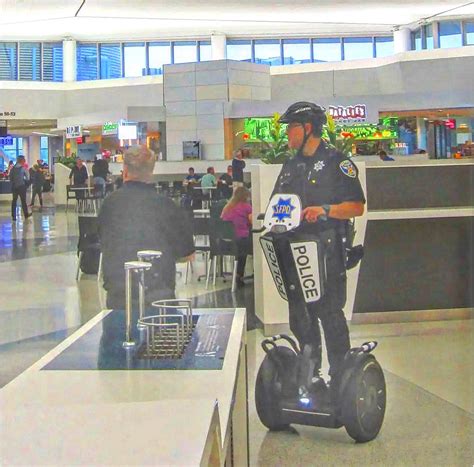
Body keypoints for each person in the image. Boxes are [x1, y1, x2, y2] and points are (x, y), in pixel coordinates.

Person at [272, 101, 365, 398]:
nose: (288, 133)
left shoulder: (337, 162)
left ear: (307, 128)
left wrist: (324, 209)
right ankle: (310, 376)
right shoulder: (291, 165)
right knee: (301, 314)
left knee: (329, 313)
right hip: (294, 249)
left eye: (291, 127)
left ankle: (341, 379)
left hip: (327, 251)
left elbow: (357, 207)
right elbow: (279, 202)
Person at [98, 146, 195, 309]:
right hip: (159, 298)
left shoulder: (109, 204)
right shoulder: (167, 206)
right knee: (162, 334)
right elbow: (187, 255)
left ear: (125, 170)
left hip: (119, 296)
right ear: (151, 172)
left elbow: (103, 242)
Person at [221, 186, 253, 287]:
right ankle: (240, 274)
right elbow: (253, 222)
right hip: (240, 240)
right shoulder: (246, 207)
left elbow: (222, 220)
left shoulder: (227, 207)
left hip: (225, 243)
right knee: (252, 246)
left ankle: (238, 274)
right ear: (245, 196)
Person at [9, 156, 31, 221]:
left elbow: (10, 178)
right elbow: (28, 177)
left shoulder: (12, 169)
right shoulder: (23, 168)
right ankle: (26, 215)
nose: (25, 161)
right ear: (22, 161)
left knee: (14, 201)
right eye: (24, 160)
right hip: (21, 187)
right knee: (23, 201)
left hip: (14, 187)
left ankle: (14, 216)